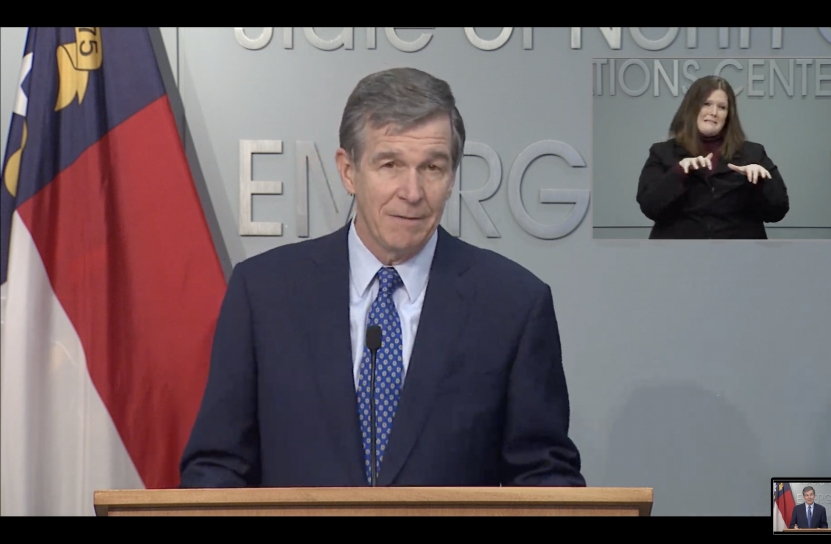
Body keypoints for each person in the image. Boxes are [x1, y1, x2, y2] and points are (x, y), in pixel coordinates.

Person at [179, 67, 586, 488]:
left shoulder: (512, 304)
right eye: (390, 164)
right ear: (348, 171)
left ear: (451, 178)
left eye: (432, 167)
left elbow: (544, 475)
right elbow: (218, 467)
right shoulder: (263, 293)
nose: (412, 191)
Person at [636, 75, 789, 239]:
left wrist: (761, 182)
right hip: (678, 256)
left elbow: (778, 211)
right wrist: (678, 172)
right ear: (691, 108)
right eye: (706, 104)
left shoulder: (753, 153)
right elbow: (649, 206)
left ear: (729, 115)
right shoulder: (663, 152)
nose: (713, 112)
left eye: (722, 107)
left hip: (740, 257)